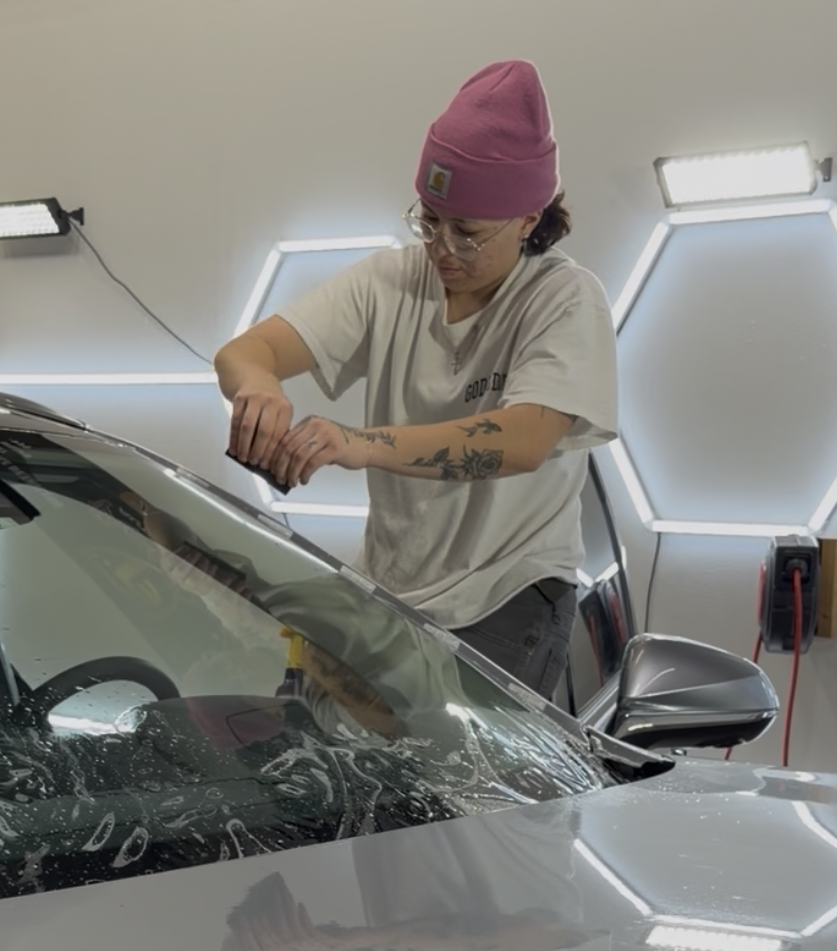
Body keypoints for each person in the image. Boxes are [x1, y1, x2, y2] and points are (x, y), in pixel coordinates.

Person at [214, 59, 618, 696]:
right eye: (429, 220)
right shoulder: (392, 280)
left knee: (471, 796)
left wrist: (357, 443)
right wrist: (259, 388)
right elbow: (244, 352)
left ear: (529, 219)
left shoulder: (564, 299)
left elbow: (526, 438)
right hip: (387, 593)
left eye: (467, 232)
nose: (442, 248)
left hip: (506, 596)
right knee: (303, 759)